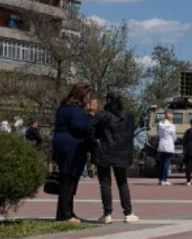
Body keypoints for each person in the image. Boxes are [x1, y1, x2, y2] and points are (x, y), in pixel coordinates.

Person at [86, 91, 139, 224]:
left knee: (105, 182)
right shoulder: (128, 115)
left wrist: (94, 141)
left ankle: (107, 214)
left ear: (108, 100)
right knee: (122, 182)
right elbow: (130, 132)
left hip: (104, 150)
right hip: (121, 151)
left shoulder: (103, 115)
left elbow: (89, 127)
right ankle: (128, 213)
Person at [52, 83, 94, 223]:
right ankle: (65, 214)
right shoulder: (75, 109)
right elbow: (79, 126)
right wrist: (91, 115)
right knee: (68, 181)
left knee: (67, 180)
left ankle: (66, 212)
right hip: (71, 146)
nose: (88, 97)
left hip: (61, 144)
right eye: (87, 94)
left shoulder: (63, 107)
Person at [156, 110, 176, 186]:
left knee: (161, 163)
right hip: (169, 145)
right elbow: (174, 137)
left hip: (161, 144)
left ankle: (160, 179)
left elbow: (158, 134)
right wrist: (174, 140)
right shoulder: (172, 126)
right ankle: (164, 180)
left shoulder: (160, 124)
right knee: (166, 163)